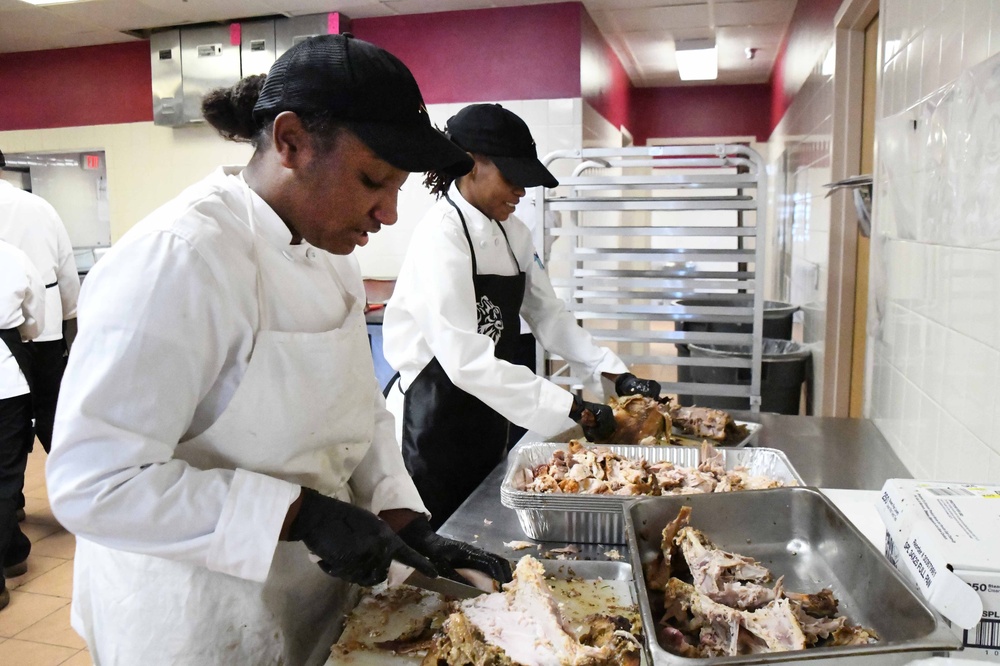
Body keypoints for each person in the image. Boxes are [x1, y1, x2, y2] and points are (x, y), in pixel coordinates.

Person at [45, 35, 510, 666]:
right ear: (289, 141)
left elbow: (356, 406)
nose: (390, 214)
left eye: (398, 187)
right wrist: (299, 515)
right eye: (373, 180)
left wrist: (399, 511)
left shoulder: (329, 250)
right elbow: (95, 481)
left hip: (311, 598)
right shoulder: (179, 258)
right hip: (194, 616)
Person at [382, 103, 662, 528]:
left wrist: (614, 373)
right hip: (434, 419)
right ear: (473, 164)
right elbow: (464, 361)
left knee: (480, 525)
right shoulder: (440, 236)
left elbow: (548, 314)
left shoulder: (516, 233)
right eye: (512, 178)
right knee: (438, 535)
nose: (521, 193)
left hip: (487, 414)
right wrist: (572, 408)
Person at [0, 149, 81, 454]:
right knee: (52, 411)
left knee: (9, 418)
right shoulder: (38, 207)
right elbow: (66, 270)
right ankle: (75, 485)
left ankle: (10, 498)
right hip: (44, 330)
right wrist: (70, 320)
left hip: (4, 335)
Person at [0, 239, 45, 610]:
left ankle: (12, 550)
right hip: (6, 379)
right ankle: (10, 553)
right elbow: (34, 320)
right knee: (5, 473)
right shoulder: (12, 255)